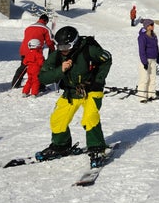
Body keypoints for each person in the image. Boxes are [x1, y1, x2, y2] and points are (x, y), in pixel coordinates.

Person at [37, 26, 112, 166]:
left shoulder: (89, 49)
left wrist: (98, 81)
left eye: (66, 46)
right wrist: (61, 69)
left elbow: (106, 59)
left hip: (91, 90)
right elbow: (43, 77)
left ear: (75, 42)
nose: (63, 49)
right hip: (71, 92)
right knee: (57, 118)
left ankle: (97, 147)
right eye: (60, 46)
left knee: (89, 117)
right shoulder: (58, 55)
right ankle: (61, 145)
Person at [12, 14, 54, 89]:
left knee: (23, 67)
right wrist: (53, 50)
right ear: (46, 21)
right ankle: (40, 86)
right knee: (38, 69)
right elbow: (49, 42)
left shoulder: (29, 27)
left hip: (24, 50)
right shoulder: (45, 28)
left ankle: (15, 83)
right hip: (36, 52)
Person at [136, 19, 159, 102]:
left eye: (153, 24)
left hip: (153, 59)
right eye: (151, 25)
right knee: (144, 78)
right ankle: (142, 96)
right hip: (146, 60)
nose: (153, 26)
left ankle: (151, 94)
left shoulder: (154, 36)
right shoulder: (142, 37)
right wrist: (144, 62)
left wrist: (158, 58)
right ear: (147, 26)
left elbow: (156, 48)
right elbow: (141, 50)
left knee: (152, 78)